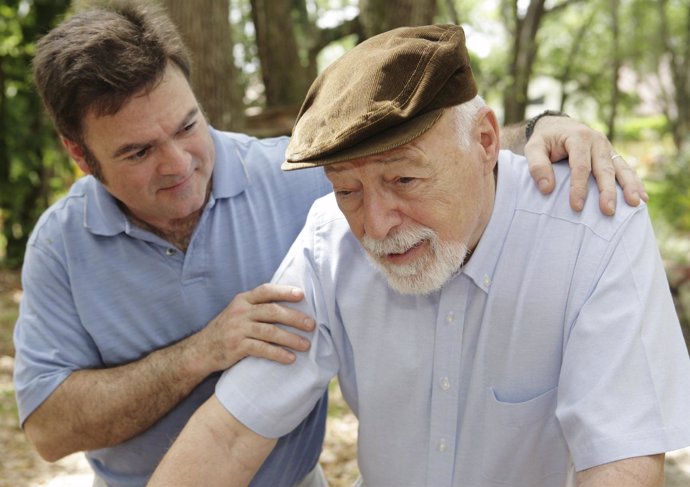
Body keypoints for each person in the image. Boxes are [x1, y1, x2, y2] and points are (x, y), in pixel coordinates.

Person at [13, 2, 645, 485]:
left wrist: (547, 129)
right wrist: (201, 352)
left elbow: (427, 153)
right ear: (80, 154)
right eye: (139, 151)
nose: (179, 163)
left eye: (188, 127)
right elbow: (47, 430)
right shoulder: (60, 248)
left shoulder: (296, 183)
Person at [148, 24, 690, 487]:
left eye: (404, 178)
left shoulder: (593, 228)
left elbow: (622, 459)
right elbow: (230, 432)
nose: (376, 225)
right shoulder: (327, 241)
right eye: (347, 190)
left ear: (484, 142)